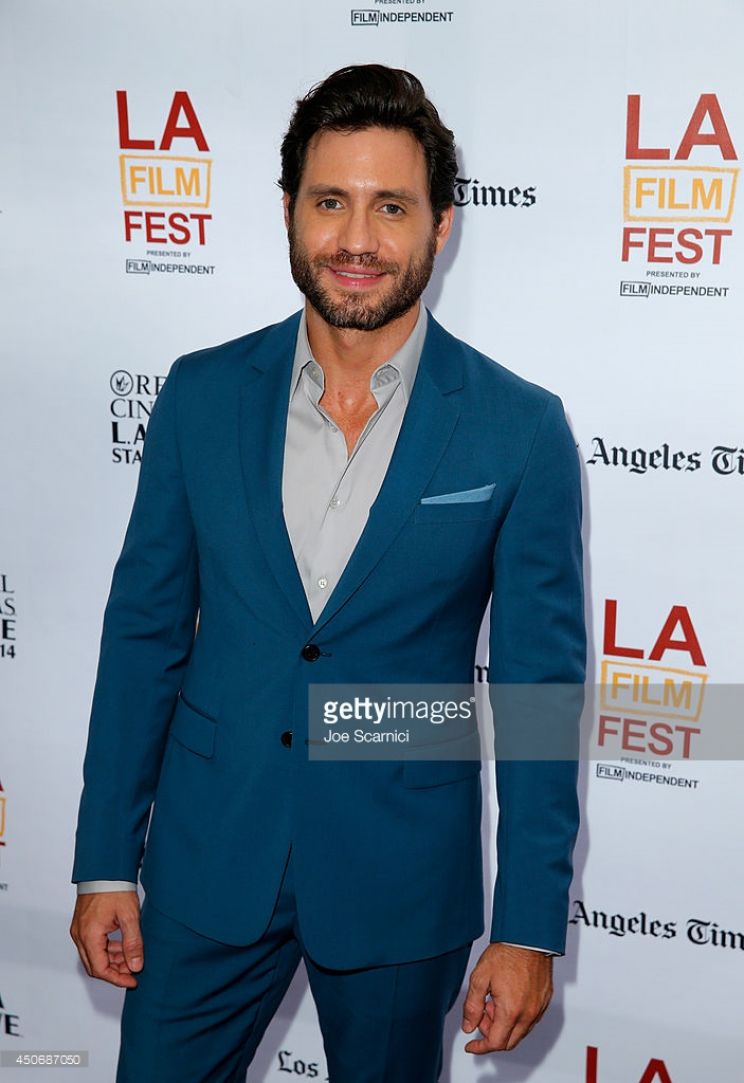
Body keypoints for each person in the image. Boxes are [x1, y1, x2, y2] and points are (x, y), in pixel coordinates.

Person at [70, 64, 586, 1082]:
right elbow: (143, 641)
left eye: (391, 206)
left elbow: (538, 698)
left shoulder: (519, 428)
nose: (357, 240)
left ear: (441, 226)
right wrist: (103, 860)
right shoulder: (201, 396)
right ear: (289, 211)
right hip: (210, 854)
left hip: (402, 871)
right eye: (330, 202)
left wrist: (529, 924)